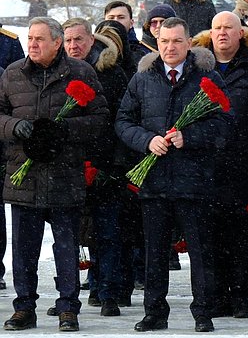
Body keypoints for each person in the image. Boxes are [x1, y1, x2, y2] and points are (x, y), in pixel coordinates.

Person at [115, 17, 228, 333]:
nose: (170, 47)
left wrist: (190, 138)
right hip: (155, 182)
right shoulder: (143, 79)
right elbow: (123, 122)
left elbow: (225, 124)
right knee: (154, 252)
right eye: (164, 41)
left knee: (201, 251)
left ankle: (203, 312)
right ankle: (155, 312)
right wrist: (146, 140)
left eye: (177, 41)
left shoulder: (207, 77)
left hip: (194, 181)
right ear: (157, 42)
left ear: (189, 43)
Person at [0, 17, 108, 332]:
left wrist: (65, 130)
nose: (32, 44)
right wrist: (12, 126)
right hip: (24, 174)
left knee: (65, 245)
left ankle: (67, 308)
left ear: (57, 43)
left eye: (40, 40)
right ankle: (24, 307)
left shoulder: (81, 73)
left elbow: (100, 117)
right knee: (24, 248)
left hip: (64, 174)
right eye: (30, 38)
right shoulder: (12, 73)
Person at [192, 11, 248, 319]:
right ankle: (213, 296)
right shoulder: (196, 68)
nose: (222, 33)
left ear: (241, 33)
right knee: (208, 236)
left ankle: (241, 294)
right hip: (204, 165)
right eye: (217, 28)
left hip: (245, 163)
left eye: (228, 28)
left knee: (240, 235)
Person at [61, 18, 129, 317]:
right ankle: (69, 295)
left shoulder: (112, 74)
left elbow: (121, 121)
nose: (74, 46)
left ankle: (108, 292)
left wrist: (110, 166)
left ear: (92, 40)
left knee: (107, 231)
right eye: (68, 40)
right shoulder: (57, 74)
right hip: (69, 166)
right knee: (70, 236)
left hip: (105, 166)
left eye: (79, 39)